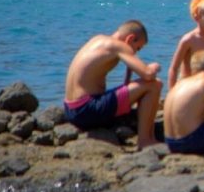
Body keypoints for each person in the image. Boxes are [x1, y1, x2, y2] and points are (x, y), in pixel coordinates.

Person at [64, 20, 162, 148]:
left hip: (70, 110)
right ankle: (145, 140)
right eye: (137, 48)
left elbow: (126, 85)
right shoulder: (118, 46)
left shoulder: (99, 39)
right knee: (155, 84)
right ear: (130, 38)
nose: (135, 53)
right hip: (87, 110)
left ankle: (144, 135)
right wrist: (155, 67)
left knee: (143, 86)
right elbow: (148, 74)